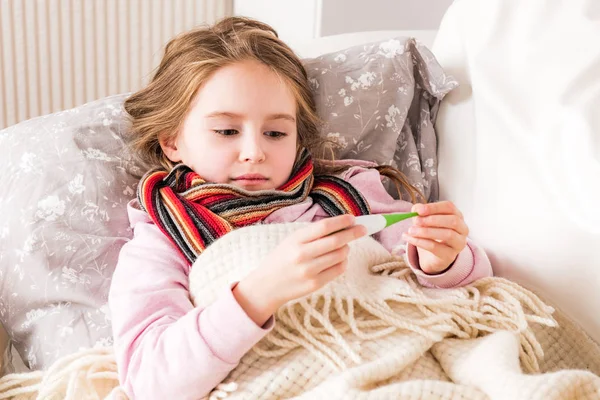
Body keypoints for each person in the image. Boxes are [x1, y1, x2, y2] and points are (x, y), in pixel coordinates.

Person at [108, 16, 492, 399]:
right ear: (172, 141)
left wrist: (440, 260)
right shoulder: (161, 240)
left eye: (276, 133)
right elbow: (150, 381)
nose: (254, 152)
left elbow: (473, 287)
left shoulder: (350, 195)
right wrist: (258, 294)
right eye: (226, 131)